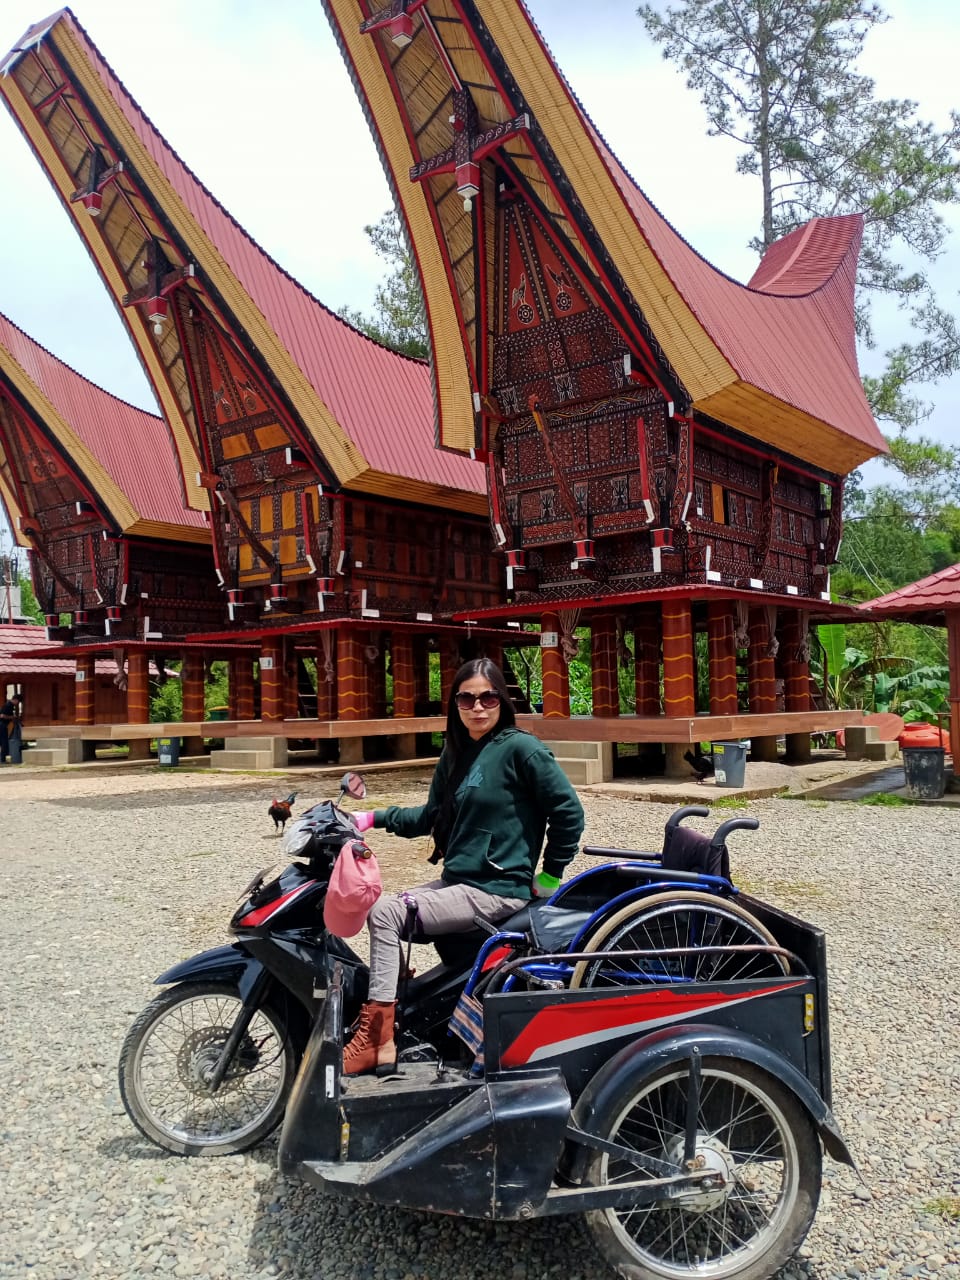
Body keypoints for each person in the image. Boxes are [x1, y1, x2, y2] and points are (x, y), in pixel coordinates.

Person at [342, 658, 585, 1076]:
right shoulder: (456, 753)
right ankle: (407, 1010)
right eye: (467, 698)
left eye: (488, 697)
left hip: (497, 889)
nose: (478, 706)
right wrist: (370, 818)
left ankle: (378, 1039)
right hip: (460, 881)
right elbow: (429, 816)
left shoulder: (521, 749)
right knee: (375, 906)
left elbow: (568, 810)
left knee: (386, 912)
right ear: (455, 704)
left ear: (502, 702)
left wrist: (550, 872)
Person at [0, 692, 21, 765]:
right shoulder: (8, 705)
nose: (17, 703)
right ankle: (3, 760)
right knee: (4, 742)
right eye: (18, 702)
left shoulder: (10, 705)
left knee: (4, 742)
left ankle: (3, 759)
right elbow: (2, 716)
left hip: (4, 725)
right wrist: (11, 717)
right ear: (15, 700)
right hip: (2, 725)